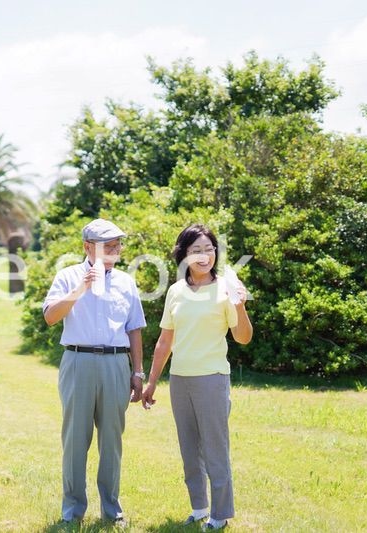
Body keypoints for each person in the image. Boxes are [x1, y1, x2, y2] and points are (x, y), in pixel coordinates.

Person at [141, 224, 253, 531]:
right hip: (180, 380)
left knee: (215, 449)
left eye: (209, 249)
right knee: (189, 450)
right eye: (196, 250)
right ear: (184, 255)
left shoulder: (227, 288)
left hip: (212, 379)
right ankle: (199, 507)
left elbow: (243, 337)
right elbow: (165, 341)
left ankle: (220, 514)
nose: (204, 256)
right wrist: (152, 381)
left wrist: (240, 306)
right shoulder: (176, 291)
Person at [43, 218, 147, 524]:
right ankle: (72, 512)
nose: (116, 249)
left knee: (112, 440)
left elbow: (134, 329)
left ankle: (112, 511)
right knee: (75, 439)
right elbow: (50, 317)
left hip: (116, 364)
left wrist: (138, 372)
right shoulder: (67, 276)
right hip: (78, 361)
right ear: (88, 247)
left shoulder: (126, 282)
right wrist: (82, 287)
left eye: (118, 244)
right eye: (108, 245)